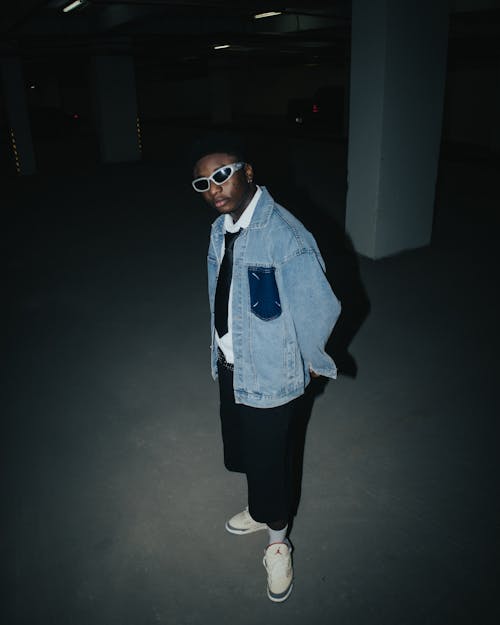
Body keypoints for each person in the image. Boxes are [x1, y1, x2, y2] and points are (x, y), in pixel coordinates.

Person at [191, 135, 341, 603]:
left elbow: (320, 306)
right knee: (244, 449)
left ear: (247, 172)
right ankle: (260, 510)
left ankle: (278, 542)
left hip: (271, 374)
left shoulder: (286, 235)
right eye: (203, 182)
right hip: (233, 363)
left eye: (222, 174)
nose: (214, 188)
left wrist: (312, 361)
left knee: (271, 460)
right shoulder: (221, 230)